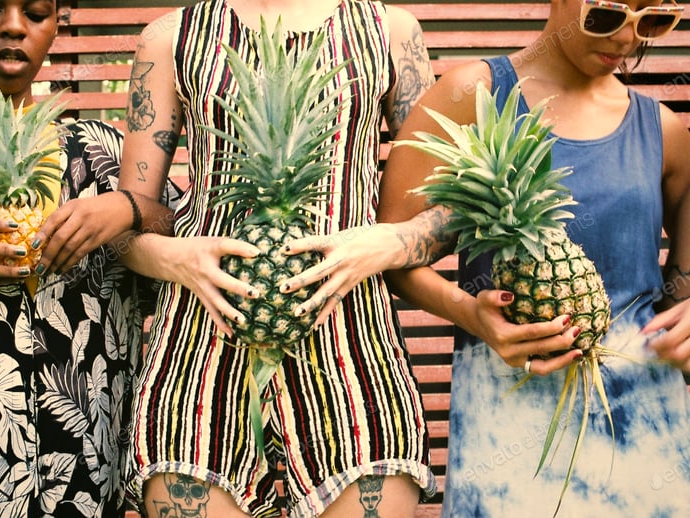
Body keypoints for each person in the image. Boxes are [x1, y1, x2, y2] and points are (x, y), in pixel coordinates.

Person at [287, 0, 690, 515]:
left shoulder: (664, 131)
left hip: (644, 419)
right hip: (505, 404)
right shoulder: (468, 93)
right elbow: (391, 253)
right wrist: (471, 313)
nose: (628, 39)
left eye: (653, 20)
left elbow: (682, 289)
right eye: (607, 15)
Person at [99, 1, 438, 516]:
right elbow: (127, 225)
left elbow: (441, 212)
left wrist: (385, 243)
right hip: (199, 350)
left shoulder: (391, 31)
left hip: (354, 348)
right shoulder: (169, 37)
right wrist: (177, 259)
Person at [0, 1, 176, 516]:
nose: (13, 26)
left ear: (57, 21)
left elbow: (186, 232)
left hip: (86, 468)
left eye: (35, 12)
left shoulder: (101, 152)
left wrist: (127, 206)